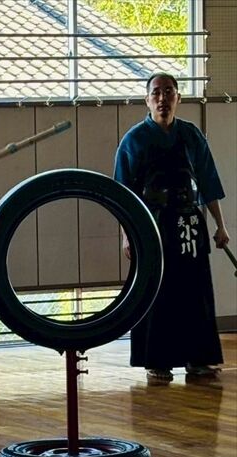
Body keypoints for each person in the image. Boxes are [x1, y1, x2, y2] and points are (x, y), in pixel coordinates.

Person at [114, 72, 230, 382]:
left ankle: (198, 359)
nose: (162, 98)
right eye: (156, 92)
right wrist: (126, 235)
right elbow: (122, 194)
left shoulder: (191, 135)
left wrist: (221, 226)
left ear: (178, 97)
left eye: (168, 92)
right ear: (147, 99)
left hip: (188, 222)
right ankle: (157, 361)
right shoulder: (134, 140)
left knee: (195, 292)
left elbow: (208, 182)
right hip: (151, 226)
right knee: (158, 292)